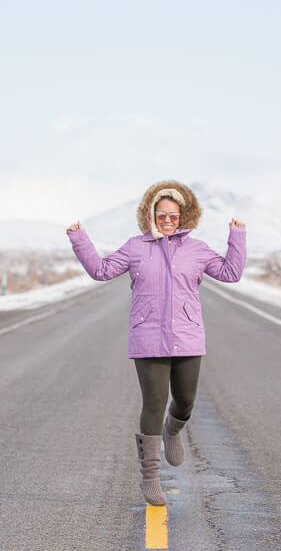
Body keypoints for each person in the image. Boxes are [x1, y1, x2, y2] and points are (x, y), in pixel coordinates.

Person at [66, 180, 246, 505]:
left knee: (186, 400)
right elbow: (101, 270)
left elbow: (231, 273)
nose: (167, 220)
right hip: (147, 337)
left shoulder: (197, 249)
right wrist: (79, 237)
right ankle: (150, 476)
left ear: (183, 216)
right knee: (153, 403)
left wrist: (237, 236)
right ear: (150, 214)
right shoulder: (136, 247)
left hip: (188, 336)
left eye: (173, 215)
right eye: (161, 214)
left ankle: (173, 430)